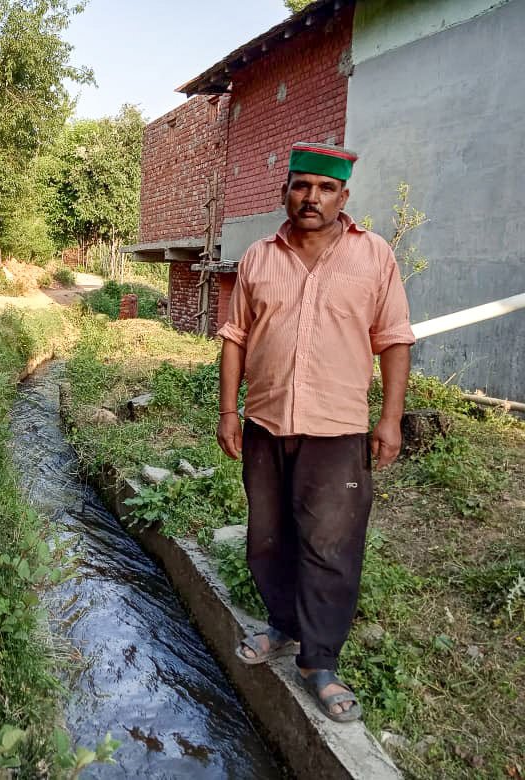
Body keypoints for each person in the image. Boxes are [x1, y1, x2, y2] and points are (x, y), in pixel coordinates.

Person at [215, 141, 415, 722]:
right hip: (265, 424)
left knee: (330, 546)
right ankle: (281, 626)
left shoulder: (374, 256)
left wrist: (391, 418)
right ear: (286, 192)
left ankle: (319, 661)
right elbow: (235, 337)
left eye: (325, 188)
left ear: (343, 197)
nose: (312, 197)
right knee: (268, 537)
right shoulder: (258, 258)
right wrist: (229, 411)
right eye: (302, 185)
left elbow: (395, 339)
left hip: (337, 431)